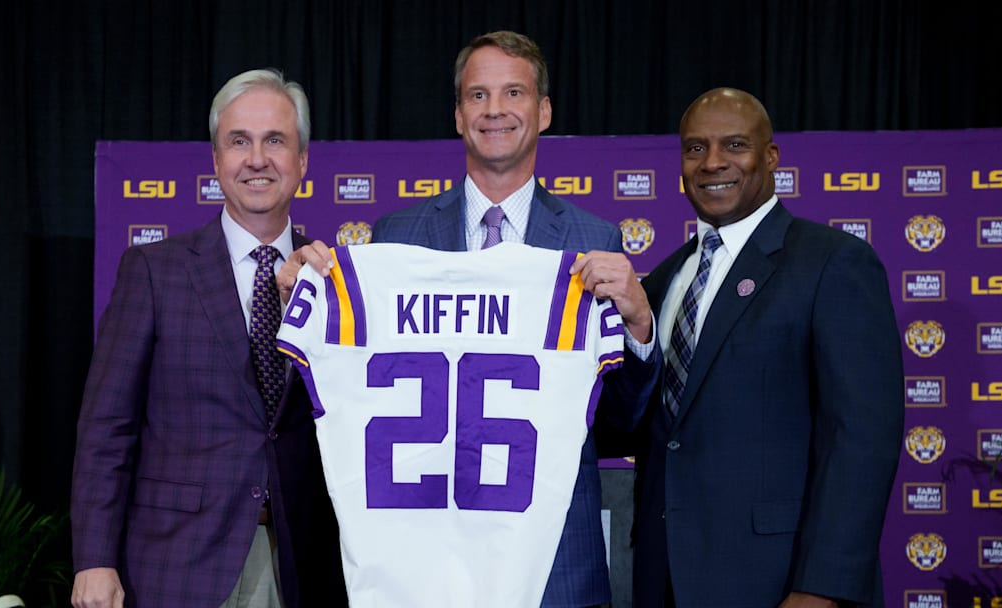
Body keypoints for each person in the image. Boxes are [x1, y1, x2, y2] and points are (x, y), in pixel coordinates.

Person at [277, 31, 654, 608]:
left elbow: (619, 423)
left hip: (554, 565)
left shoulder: (591, 241)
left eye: (513, 93)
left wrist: (639, 327)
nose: (495, 110)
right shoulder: (395, 239)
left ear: (544, 110)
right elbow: (346, 399)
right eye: (477, 96)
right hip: (423, 561)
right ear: (458, 115)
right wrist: (305, 308)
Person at [70, 68, 345, 608]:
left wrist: (315, 315)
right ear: (216, 160)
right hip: (179, 563)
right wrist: (94, 559)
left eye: (276, 141)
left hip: (304, 563)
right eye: (238, 141)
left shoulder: (336, 281)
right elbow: (107, 429)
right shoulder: (154, 270)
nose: (257, 158)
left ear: (303, 160)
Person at [627, 87, 904, 607]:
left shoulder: (833, 262)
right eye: (695, 149)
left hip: (778, 582)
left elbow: (860, 439)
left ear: (770, 157)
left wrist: (821, 588)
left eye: (734, 145)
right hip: (663, 578)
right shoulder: (664, 280)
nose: (713, 163)